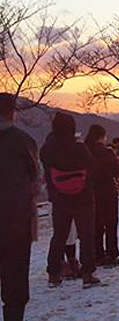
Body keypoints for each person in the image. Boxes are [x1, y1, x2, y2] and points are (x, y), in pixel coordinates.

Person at [41, 112, 100, 288]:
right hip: (83, 198)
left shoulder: (47, 149)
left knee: (59, 236)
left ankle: (53, 274)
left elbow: (46, 173)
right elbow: (92, 167)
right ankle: (88, 274)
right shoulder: (79, 147)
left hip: (59, 199)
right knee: (86, 236)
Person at [0, 93, 38, 321]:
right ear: (12, 112)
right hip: (16, 219)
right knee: (15, 282)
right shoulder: (23, 141)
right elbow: (35, 176)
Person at [85, 125, 119, 267]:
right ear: (102, 136)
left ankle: (97, 254)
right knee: (111, 223)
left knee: (96, 224)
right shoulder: (107, 152)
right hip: (108, 191)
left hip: (91, 191)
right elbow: (117, 171)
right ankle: (111, 253)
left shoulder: (85, 150)